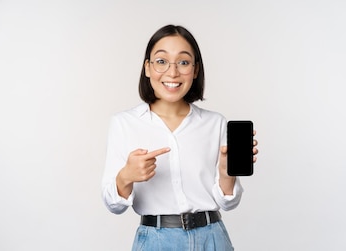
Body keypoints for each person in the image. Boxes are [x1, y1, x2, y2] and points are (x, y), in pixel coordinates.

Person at [101, 24, 259, 250]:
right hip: (155, 241)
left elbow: (229, 202)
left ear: (195, 70)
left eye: (184, 62)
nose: (173, 72)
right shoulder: (124, 123)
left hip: (213, 238)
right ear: (147, 68)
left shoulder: (215, 123)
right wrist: (126, 176)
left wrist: (226, 173)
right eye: (161, 61)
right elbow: (113, 205)